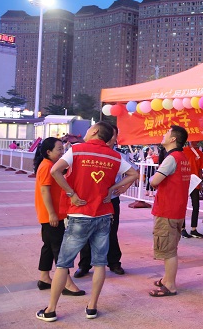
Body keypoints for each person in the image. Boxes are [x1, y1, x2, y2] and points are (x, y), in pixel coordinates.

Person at [36, 122, 138, 322]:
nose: (88, 131)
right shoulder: (114, 156)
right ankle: (92, 307)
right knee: (100, 263)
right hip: (103, 215)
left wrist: (71, 193)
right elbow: (134, 173)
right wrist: (114, 189)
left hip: (79, 214)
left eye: (90, 128)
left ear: (95, 131)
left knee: (63, 263)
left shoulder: (77, 150)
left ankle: (51, 309)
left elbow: (55, 171)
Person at [74, 125, 127, 278]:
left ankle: (114, 262)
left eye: (113, 135)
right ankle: (84, 264)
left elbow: (134, 172)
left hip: (110, 200)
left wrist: (121, 188)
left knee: (111, 232)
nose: (110, 138)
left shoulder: (118, 156)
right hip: (88, 199)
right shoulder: (85, 151)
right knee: (85, 232)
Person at [34, 137, 84, 296]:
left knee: (49, 246)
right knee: (59, 248)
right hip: (51, 214)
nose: (62, 152)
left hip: (51, 214)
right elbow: (45, 191)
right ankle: (67, 283)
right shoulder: (47, 167)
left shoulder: (50, 165)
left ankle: (44, 278)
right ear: (48, 152)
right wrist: (52, 214)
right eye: (59, 149)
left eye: (63, 149)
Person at [148, 125, 191, 297]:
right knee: (171, 246)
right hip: (177, 209)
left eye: (166, 133)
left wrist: (152, 178)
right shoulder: (183, 157)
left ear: (173, 139)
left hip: (167, 210)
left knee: (168, 251)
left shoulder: (172, 158)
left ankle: (170, 285)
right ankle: (167, 279)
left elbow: (154, 181)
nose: (163, 135)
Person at [181, 141, 203, 239]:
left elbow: (200, 169)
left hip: (195, 182)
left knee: (196, 206)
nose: (196, 142)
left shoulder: (200, 153)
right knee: (183, 206)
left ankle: (193, 229)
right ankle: (182, 228)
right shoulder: (183, 151)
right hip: (184, 181)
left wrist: (200, 182)